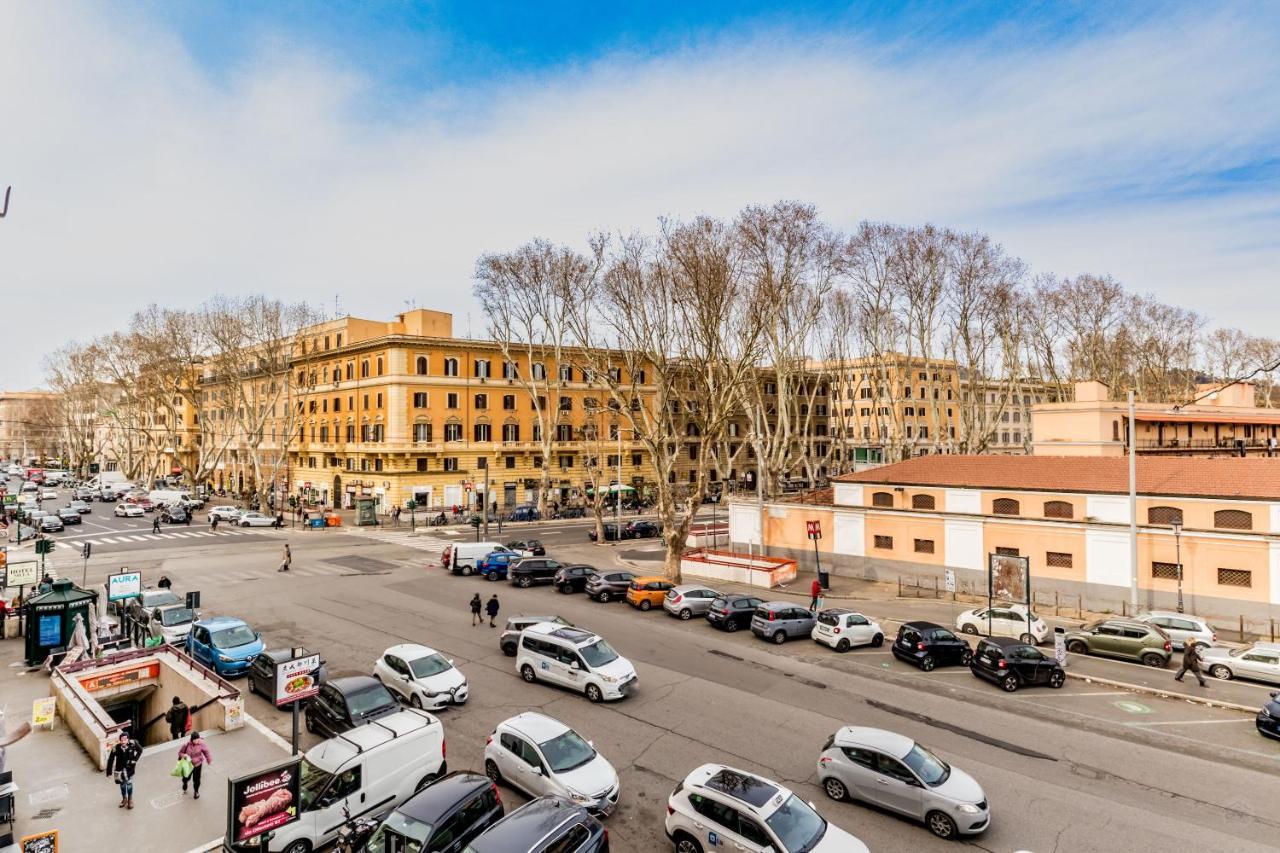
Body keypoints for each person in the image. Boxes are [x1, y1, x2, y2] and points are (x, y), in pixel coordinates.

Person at [105, 730, 142, 809]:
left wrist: (135, 760)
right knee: (122, 785)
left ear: (128, 739)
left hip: (129, 769)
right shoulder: (116, 748)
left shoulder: (133, 744)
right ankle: (124, 798)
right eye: (121, 740)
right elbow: (111, 759)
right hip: (120, 770)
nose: (123, 742)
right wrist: (109, 772)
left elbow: (140, 750)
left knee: (129, 784)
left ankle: (130, 800)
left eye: (125, 740)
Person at [178, 731, 212, 798]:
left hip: (198, 765)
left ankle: (196, 791)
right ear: (192, 739)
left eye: (198, 739)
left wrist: (209, 760)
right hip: (188, 765)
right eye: (195, 739)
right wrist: (184, 755)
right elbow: (180, 753)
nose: (197, 741)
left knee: (197, 780)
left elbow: (206, 752)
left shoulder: (201, 744)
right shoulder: (186, 744)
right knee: (186, 777)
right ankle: (185, 783)